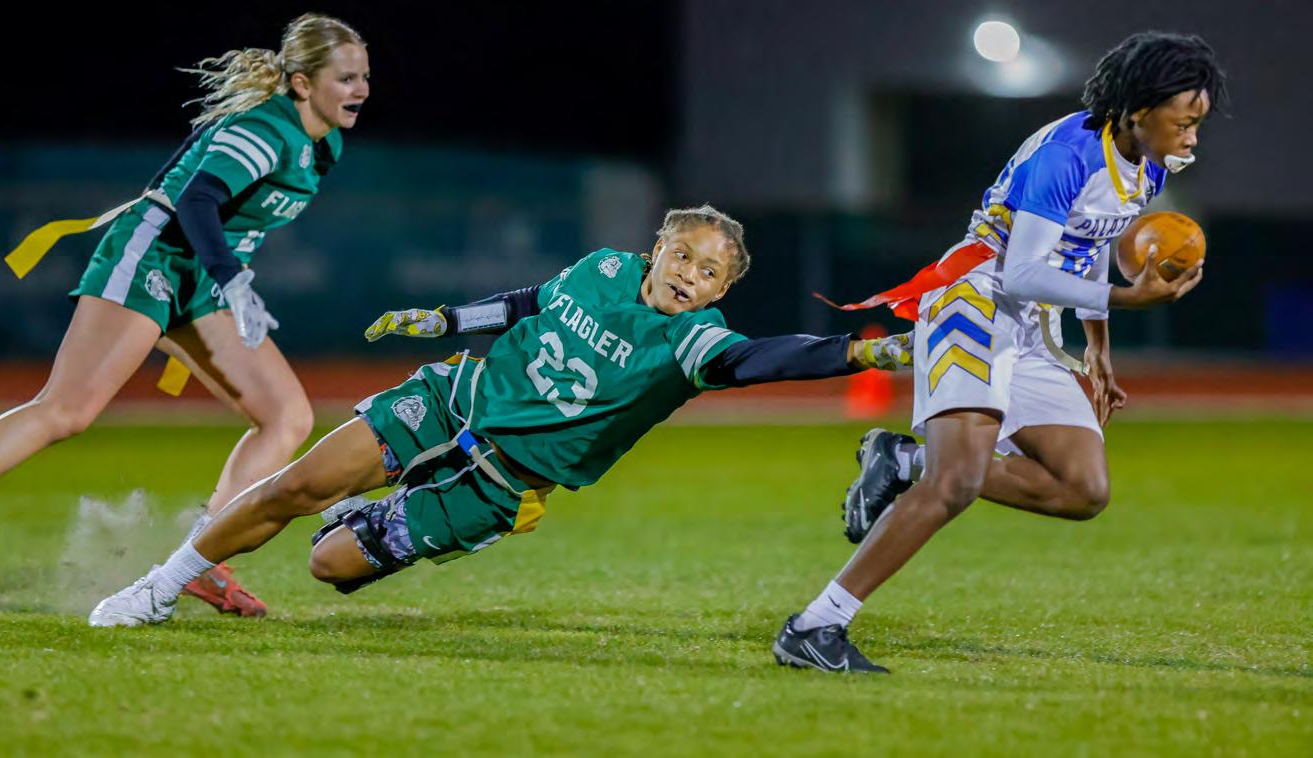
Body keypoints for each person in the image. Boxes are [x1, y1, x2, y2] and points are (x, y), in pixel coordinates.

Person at [86, 205, 915, 627]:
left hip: (503, 484)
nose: (690, 276)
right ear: (656, 247)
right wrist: (446, 320)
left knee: (328, 566)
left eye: (710, 273)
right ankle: (159, 587)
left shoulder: (695, 341)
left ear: (722, 291)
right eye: (684, 255)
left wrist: (861, 352)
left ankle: (378, 515)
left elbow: (765, 358)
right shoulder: (601, 268)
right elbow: (527, 302)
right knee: (296, 485)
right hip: (456, 399)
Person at [0, 13, 371, 613]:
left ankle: (199, 558)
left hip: (203, 277)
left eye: (364, 76)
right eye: (346, 78)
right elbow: (196, 200)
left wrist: (224, 274)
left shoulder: (325, 143)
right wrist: (231, 276)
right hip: (154, 253)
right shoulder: (266, 129)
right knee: (67, 409)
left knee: (286, 416)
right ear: (301, 82)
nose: (361, 89)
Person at [776, 31, 1225, 674]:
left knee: (1082, 488)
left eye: (1197, 123)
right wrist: (1127, 299)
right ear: (1138, 111)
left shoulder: (1149, 163)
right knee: (953, 485)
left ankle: (903, 459)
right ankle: (815, 625)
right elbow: (1021, 272)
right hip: (975, 301)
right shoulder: (1068, 155)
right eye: (1184, 122)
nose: (1192, 137)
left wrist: (1099, 347)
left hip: (1033, 322)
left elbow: (1092, 243)